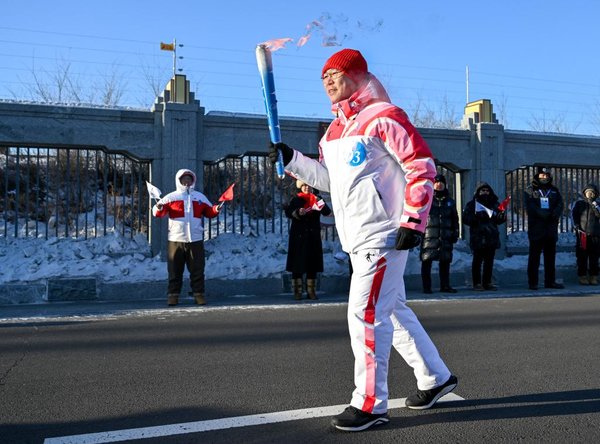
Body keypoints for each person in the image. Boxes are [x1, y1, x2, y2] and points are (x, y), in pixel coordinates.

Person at [268, 48, 457, 432]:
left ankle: (371, 403)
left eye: (335, 74)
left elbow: (421, 167)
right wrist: (293, 160)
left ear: (356, 75)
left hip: (383, 234)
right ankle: (435, 377)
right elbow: (329, 181)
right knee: (392, 310)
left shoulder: (386, 116)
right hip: (356, 236)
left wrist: (414, 220)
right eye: (323, 78)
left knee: (366, 315)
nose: (328, 82)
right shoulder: (333, 131)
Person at [152, 169, 220, 306]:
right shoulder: (171, 197)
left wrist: (216, 209)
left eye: (189, 179)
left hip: (195, 240)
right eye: (184, 179)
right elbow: (158, 213)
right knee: (174, 271)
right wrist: (158, 208)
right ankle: (173, 296)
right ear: (179, 181)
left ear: (193, 181)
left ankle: (199, 295)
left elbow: (209, 212)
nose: (187, 182)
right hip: (175, 240)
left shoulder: (199, 197)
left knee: (197, 270)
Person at [284, 180, 332, 300]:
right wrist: (297, 212)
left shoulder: (316, 198)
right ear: (300, 187)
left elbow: (326, 212)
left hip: (312, 235)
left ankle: (311, 291)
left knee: (312, 264)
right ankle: (297, 291)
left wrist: (319, 199)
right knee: (297, 264)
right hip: (298, 236)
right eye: (304, 185)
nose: (306, 188)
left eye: (308, 185)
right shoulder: (296, 199)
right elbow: (288, 212)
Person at [524, 167, 564, 290]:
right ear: (537, 176)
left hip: (550, 228)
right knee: (534, 257)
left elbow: (560, 203)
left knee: (550, 258)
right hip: (536, 228)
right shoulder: (530, 190)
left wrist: (555, 213)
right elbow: (529, 205)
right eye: (542, 175)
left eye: (546, 175)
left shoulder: (554, 190)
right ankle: (533, 282)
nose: (544, 178)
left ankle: (550, 281)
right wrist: (539, 212)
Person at [462, 183, 506, 291]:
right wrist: (476, 217)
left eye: (487, 190)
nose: (485, 192)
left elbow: (499, 219)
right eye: (482, 191)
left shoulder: (495, 204)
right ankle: (476, 283)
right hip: (478, 236)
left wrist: (501, 216)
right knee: (477, 261)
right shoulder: (471, 205)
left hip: (491, 236)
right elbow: (465, 219)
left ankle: (487, 282)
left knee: (489, 261)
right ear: (478, 192)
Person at [420, 174, 460, 294]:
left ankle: (445, 285)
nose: (439, 184)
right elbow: (420, 217)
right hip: (429, 236)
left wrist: (455, 233)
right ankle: (426, 287)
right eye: (436, 182)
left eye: (441, 182)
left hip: (445, 235)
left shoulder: (450, 202)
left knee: (445, 262)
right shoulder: (427, 199)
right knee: (426, 262)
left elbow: (455, 219)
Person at [571, 184, 600, 285]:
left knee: (594, 257)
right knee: (582, 256)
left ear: (595, 194)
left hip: (595, 234)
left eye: (592, 192)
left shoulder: (597, 204)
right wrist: (576, 225)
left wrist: (594, 205)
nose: (590, 194)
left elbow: (598, 214)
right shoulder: (579, 204)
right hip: (582, 234)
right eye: (588, 192)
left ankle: (594, 276)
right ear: (584, 193)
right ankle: (582, 276)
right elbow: (574, 214)